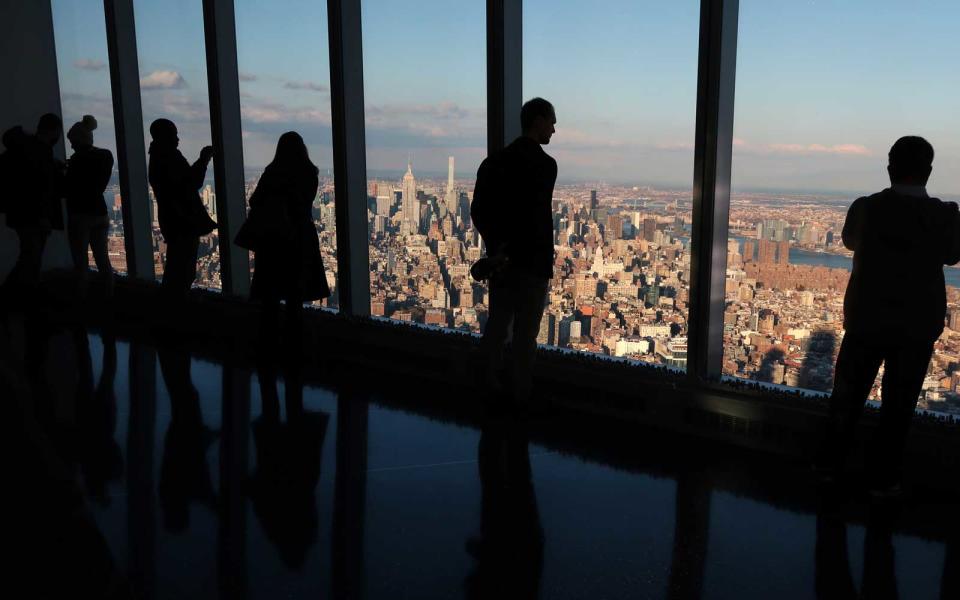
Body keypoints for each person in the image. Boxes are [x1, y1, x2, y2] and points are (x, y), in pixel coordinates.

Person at [816, 136, 960, 496]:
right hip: (916, 326)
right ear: (928, 172)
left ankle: (830, 469)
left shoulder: (866, 209)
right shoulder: (945, 215)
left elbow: (850, 241)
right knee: (899, 406)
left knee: (847, 398)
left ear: (890, 167)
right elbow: (953, 254)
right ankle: (884, 478)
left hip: (866, 319)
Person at [478, 97, 558, 404]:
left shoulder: (493, 163)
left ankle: (486, 385)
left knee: (498, 326)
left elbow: (478, 210)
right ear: (537, 121)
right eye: (551, 121)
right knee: (526, 336)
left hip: (502, 261)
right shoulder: (546, 166)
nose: (554, 129)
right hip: (533, 263)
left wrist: (497, 245)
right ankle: (520, 394)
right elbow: (535, 218)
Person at [245, 131, 330, 355]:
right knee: (295, 295)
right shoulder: (310, 173)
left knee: (270, 295)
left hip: (273, 239)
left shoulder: (273, 173)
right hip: (300, 235)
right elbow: (304, 203)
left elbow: (254, 201)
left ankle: (268, 344)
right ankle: (295, 345)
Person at [147, 118, 216, 297]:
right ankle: (176, 306)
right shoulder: (169, 158)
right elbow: (190, 182)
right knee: (182, 268)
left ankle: (173, 305)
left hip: (173, 220)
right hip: (182, 220)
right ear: (165, 137)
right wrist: (203, 160)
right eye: (174, 135)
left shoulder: (157, 157)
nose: (178, 139)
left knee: (177, 266)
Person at [1, 113, 65, 301]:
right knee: (32, 258)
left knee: (28, 256)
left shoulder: (26, 148)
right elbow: (41, 188)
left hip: (20, 213)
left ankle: (18, 297)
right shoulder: (41, 151)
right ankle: (18, 297)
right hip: (34, 216)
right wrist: (44, 217)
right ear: (53, 131)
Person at [64, 115, 115, 298]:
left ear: (78, 140)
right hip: (100, 212)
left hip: (80, 215)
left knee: (81, 264)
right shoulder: (105, 156)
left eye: (72, 141)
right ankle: (108, 298)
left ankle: (81, 302)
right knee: (103, 261)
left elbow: (66, 189)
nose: (71, 145)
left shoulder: (77, 162)